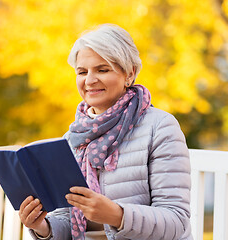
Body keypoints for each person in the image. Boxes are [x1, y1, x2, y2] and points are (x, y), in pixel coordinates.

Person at [19, 24, 192, 240]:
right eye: (82, 72)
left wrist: (117, 215)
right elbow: (68, 220)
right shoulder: (72, 139)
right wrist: (42, 227)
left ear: (129, 73)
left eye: (102, 69)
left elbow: (176, 220)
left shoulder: (160, 127)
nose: (90, 80)